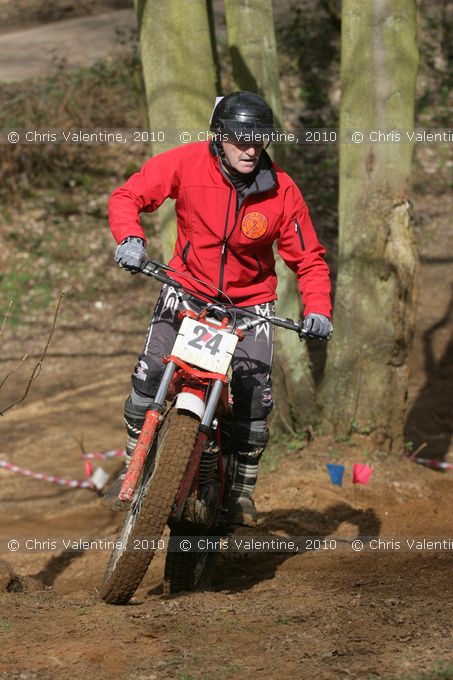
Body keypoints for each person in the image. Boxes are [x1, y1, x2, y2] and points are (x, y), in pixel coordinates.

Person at [105, 91, 332, 526]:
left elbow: (309, 258)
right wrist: (130, 238)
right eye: (240, 139)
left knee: (253, 398)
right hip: (187, 288)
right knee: (150, 373)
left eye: (258, 140)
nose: (250, 149)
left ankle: (241, 492)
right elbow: (128, 195)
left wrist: (318, 309)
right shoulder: (186, 163)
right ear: (219, 136)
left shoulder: (282, 191)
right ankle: (134, 463)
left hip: (250, 306)